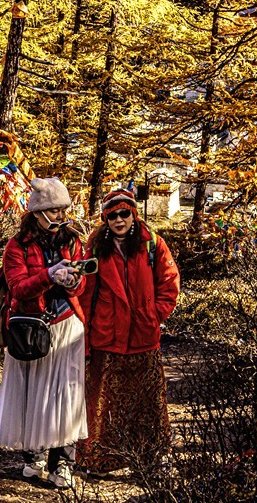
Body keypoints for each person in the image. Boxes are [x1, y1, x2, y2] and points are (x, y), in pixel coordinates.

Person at [0, 177, 88, 489]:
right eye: (55, 210)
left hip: (67, 324)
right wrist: (49, 275)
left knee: (68, 396)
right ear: (37, 212)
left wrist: (74, 281)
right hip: (31, 327)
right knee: (34, 393)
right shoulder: (16, 247)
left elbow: (82, 283)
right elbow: (19, 287)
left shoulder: (73, 240)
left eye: (64, 210)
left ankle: (64, 462)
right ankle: (34, 457)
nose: (61, 216)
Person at [78, 188, 181, 474]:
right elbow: (86, 294)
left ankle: (152, 458)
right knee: (102, 402)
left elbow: (170, 282)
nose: (119, 219)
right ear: (105, 218)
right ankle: (100, 459)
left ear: (133, 214)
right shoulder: (96, 247)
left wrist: (155, 314)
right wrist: (85, 336)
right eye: (113, 215)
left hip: (143, 337)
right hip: (106, 337)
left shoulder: (152, 244)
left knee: (148, 404)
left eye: (125, 213)